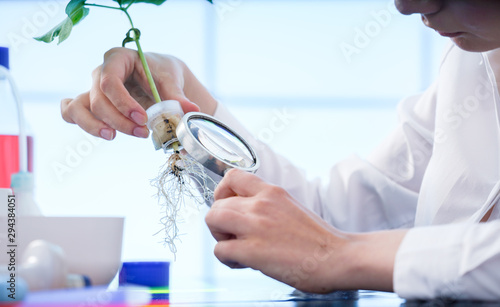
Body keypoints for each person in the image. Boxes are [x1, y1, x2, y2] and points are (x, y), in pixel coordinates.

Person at [60, 0, 500, 300]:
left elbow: (339, 249)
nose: (405, 5)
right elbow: (328, 225)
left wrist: (342, 253)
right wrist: (187, 99)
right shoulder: (469, 61)